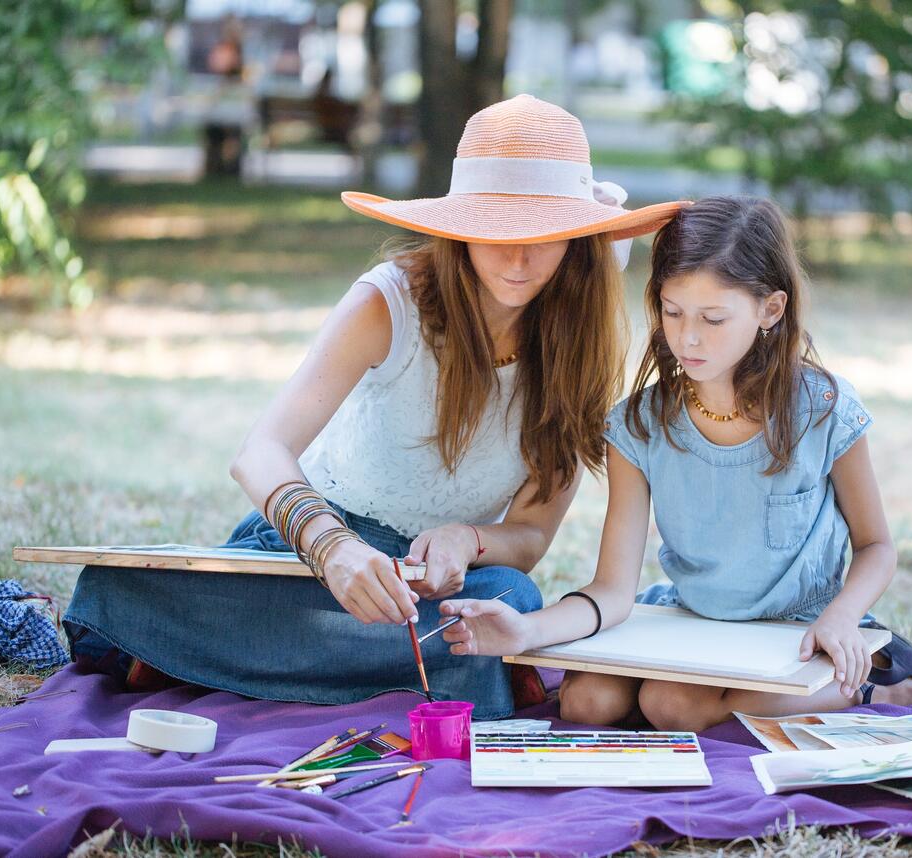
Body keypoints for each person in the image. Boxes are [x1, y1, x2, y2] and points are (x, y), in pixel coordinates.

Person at [62, 95, 684, 720]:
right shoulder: (390, 301)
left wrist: (465, 541)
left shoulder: (578, 349)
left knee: (510, 598)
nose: (518, 258)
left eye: (544, 235)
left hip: (432, 589)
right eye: (494, 230)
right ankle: (315, 661)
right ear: (456, 226)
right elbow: (260, 453)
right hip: (307, 560)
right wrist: (334, 551)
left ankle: (204, 659)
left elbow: (529, 538)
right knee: (115, 591)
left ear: (577, 239)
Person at [436, 196, 912, 730]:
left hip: (798, 631)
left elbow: (877, 547)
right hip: (689, 622)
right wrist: (526, 631)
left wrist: (843, 616)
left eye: (713, 318)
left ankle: (883, 692)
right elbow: (612, 590)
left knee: (672, 704)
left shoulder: (822, 410)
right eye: (672, 311)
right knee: (585, 703)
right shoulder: (640, 426)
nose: (688, 337)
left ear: (770, 309)